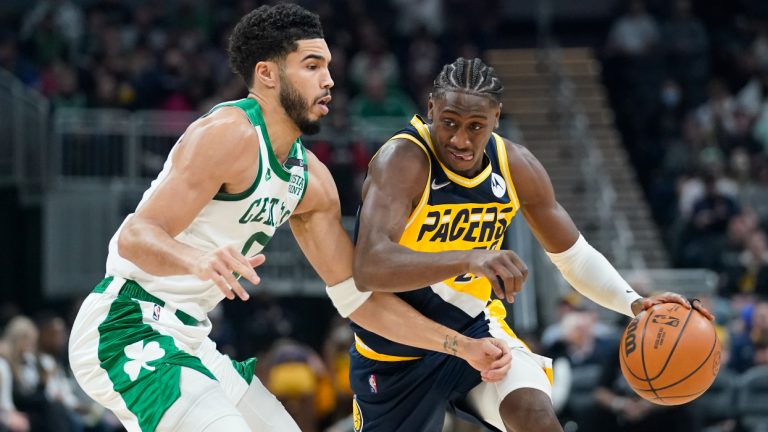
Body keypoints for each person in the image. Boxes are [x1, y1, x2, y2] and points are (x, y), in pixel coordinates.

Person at [68, 5, 512, 432]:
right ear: (267, 74)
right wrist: (196, 260)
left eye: (329, 67)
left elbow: (359, 301)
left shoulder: (311, 180)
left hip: (191, 340)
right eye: (313, 66)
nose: (330, 80)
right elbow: (135, 236)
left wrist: (462, 348)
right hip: (126, 325)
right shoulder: (227, 134)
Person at [351, 57, 715, 432]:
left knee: (536, 418)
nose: (460, 139)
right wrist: (469, 259)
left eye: (475, 126)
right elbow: (369, 267)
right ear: (431, 109)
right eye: (449, 123)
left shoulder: (516, 165)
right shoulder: (405, 159)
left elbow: (573, 257)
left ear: (496, 117)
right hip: (396, 349)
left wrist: (633, 302)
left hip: (476, 329)